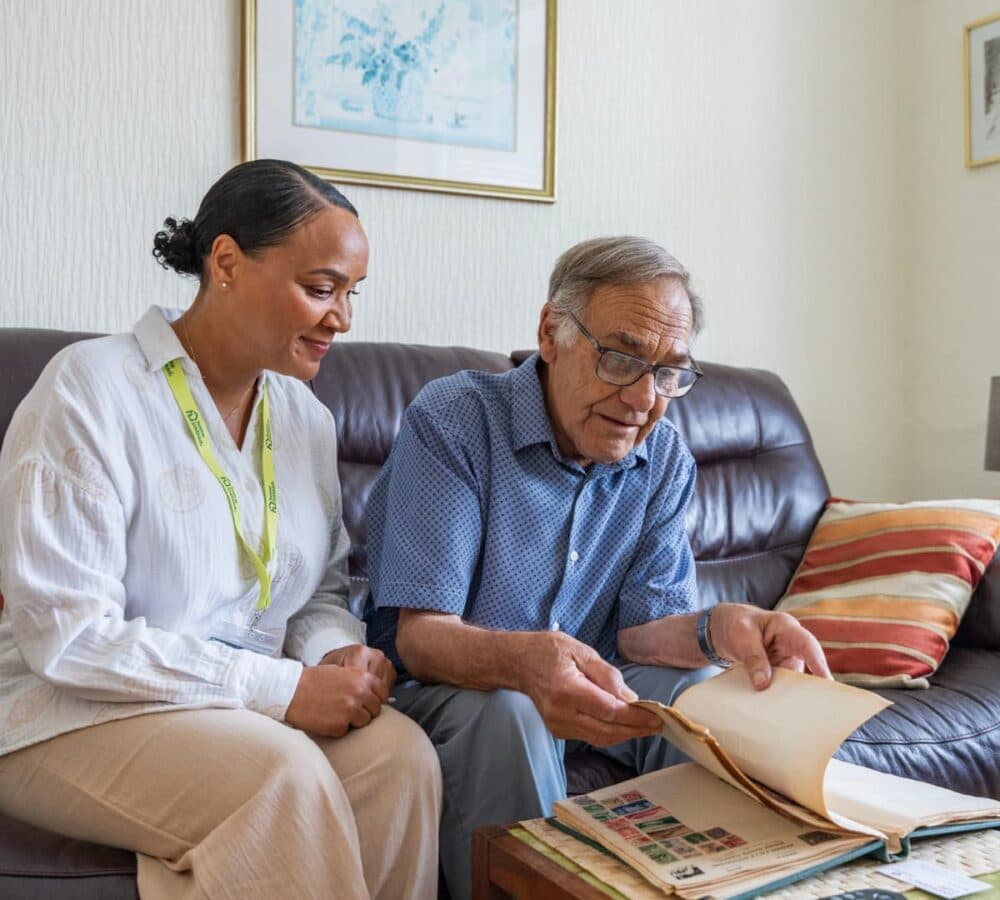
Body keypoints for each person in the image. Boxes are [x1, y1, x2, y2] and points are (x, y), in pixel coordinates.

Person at [0, 159, 441, 900]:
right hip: (63, 709)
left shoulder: (305, 418)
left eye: (351, 293)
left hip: (236, 709)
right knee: (281, 775)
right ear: (228, 262)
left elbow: (317, 592)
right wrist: (277, 690)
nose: (344, 318)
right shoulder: (91, 388)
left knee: (399, 757)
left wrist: (337, 657)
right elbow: (68, 637)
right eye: (321, 288)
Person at [364, 236, 831, 899]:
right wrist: (531, 663)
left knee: (702, 690)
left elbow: (643, 635)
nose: (644, 398)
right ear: (550, 333)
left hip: (593, 681)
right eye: (620, 359)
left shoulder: (664, 455)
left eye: (670, 372)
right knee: (510, 711)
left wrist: (719, 627)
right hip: (447, 689)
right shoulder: (458, 419)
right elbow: (420, 635)